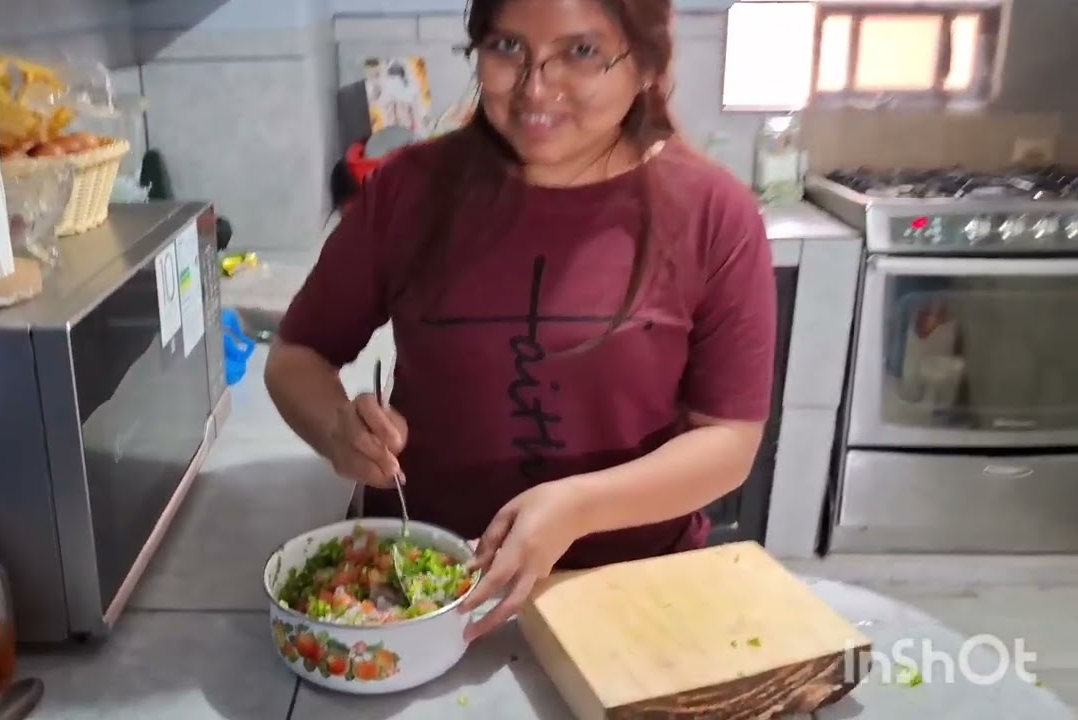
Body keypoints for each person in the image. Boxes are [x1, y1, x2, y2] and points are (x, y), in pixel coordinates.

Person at [265, 0, 776, 642]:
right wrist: (335, 430)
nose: (535, 88)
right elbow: (295, 355)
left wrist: (578, 506)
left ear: (646, 63)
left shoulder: (714, 213)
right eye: (508, 48)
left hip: (633, 588)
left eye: (582, 52)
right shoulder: (408, 190)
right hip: (428, 589)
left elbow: (729, 442)